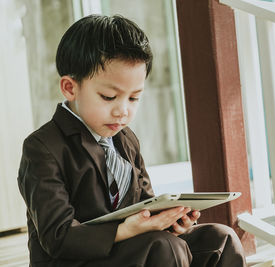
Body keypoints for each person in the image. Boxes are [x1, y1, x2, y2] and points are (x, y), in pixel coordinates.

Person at [17, 14, 246, 267]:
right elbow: (57, 237)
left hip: (133, 251)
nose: (122, 111)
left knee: (220, 238)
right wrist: (128, 230)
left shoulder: (125, 140)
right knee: (163, 247)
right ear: (70, 88)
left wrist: (170, 222)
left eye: (134, 98)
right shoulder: (42, 147)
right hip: (73, 260)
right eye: (108, 97)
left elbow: (147, 204)